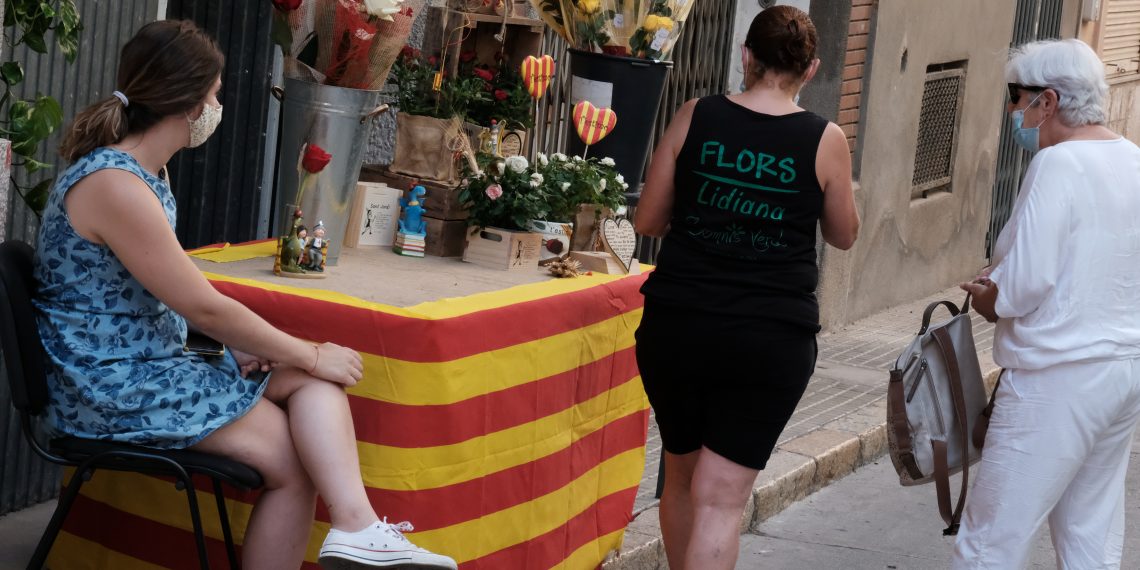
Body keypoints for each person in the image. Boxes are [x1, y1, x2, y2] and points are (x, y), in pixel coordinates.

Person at [33, 20, 457, 570]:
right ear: (187, 102)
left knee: (312, 384)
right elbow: (201, 304)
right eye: (214, 94)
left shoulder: (144, 173)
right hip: (111, 385)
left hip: (149, 364)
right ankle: (356, 528)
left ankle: (357, 527)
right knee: (296, 456)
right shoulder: (116, 184)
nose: (218, 106)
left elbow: (152, 294)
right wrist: (307, 352)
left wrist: (251, 350)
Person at [632, 6, 859, 569]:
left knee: (681, 479)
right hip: (769, 336)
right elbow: (844, 234)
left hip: (678, 324)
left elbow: (648, 220)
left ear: (746, 56)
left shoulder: (696, 114)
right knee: (721, 501)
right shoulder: (825, 138)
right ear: (811, 69)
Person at [955, 39, 1140, 569]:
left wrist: (990, 296)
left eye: (1017, 97)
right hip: (1122, 369)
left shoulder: (1058, 164)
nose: (1013, 111)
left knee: (991, 538)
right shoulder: (1133, 159)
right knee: (1088, 532)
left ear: (1049, 101)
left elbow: (1025, 285)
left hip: (1055, 375)